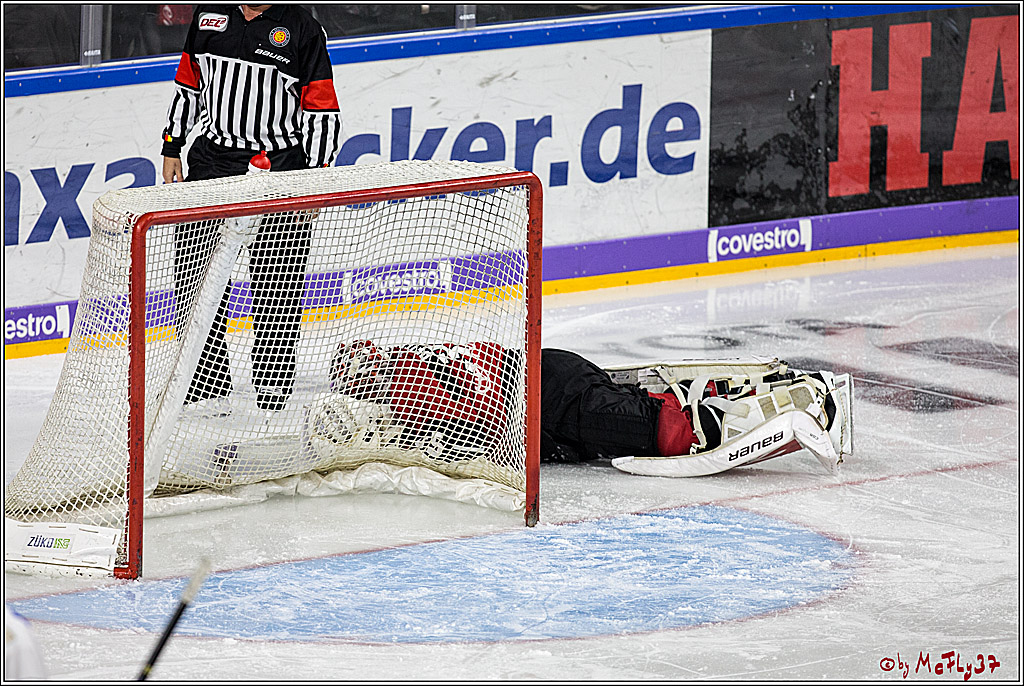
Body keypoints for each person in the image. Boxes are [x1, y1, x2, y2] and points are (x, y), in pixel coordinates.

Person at [161, 5, 343, 412]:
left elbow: (321, 104)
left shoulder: (301, 27)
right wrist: (173, 144)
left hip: (280, 166)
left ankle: (273, 387)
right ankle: (205, 384)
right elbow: (189, 85)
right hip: (213, 162)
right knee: (193, 276)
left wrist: (315, 176)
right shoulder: (209, 14)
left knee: (277, 283)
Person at [312, 341, 854, 477]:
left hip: (557, 399)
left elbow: (487, 419)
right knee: (651, 413)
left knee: (670, 433)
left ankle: (805, 400)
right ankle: (745, 396)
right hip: (558, 386)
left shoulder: (411, 385)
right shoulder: (414, 370)